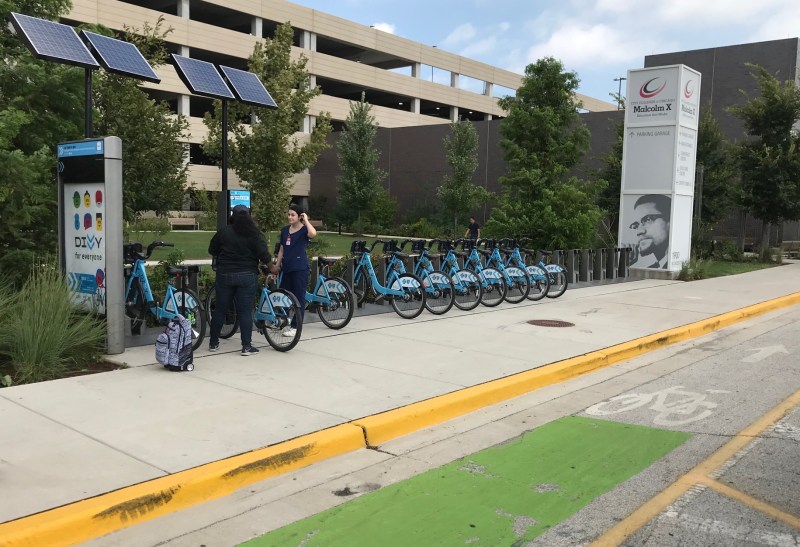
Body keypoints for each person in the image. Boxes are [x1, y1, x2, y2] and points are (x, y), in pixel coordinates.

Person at [208, 205, 277, 355]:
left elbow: (212, 250)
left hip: (225, 274)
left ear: (232, 216)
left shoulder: (224, 232)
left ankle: (213, 343)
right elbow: (264, 254)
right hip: (247, 275)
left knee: (220, 309)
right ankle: (246, 346)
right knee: (245, 311)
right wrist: (272, 267)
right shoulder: (254, 234)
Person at [276, 204, 317, 337]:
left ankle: (295, 325)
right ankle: (284, 320)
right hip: (287, 268)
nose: (290, 217)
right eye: (288, 214)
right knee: (283, 295)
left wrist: (306, 220)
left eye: (293, 215)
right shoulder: (285, 231)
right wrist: (277, 266)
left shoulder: (304, 230)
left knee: (298, 297)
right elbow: (281, 250)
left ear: (299, 216)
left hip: (300, 269)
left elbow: (313, 233)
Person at [629, 194, 671, 269]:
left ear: (670, 221)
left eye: (648, 219)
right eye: (636, 225)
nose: (639, 231)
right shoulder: (654, 268)